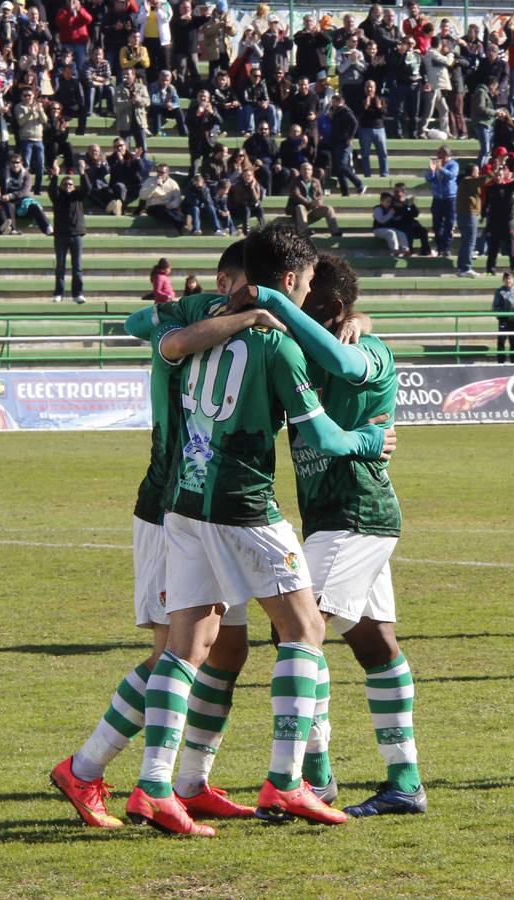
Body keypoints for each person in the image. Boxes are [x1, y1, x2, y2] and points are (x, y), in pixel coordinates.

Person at [121, 223, 395, 836]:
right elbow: (324, 437)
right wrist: (372, 438)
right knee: (304, 629)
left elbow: (157, 337)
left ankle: (154, 787)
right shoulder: (278, 344)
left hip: (183, 504)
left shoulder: (201, 324)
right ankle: (286, 782)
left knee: (186, 646)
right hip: (242, 503)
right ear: (293, 280)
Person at [51, 242, 267, 829]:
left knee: (229, 648)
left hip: (218, 508)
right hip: (169, 505)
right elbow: (139, 322)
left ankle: (191, 780)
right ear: (227, 281)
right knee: (177, 650)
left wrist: (355, 317)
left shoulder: (265, 322)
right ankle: (89, 768)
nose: (265, 297)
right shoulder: (191, 315)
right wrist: (221, 307)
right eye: (254, 285)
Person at [226, 254, 426, 817]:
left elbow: (346, 359)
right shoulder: (308, 355)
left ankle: (309, 776)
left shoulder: (369, 350)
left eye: (308, 303)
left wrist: (279, 300)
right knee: (374, 644)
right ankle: (405, 782)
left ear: (332, 309)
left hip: (357, 514)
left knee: (297, 629)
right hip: (332, 517)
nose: (296, 316)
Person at [286, 161, 341, 238]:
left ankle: (335, 232)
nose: (306, 171)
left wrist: (319, 202)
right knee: (300, 207)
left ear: (311, 171)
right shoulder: (295, 181)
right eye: (304, 169)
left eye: (309, 169)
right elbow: (296, 195)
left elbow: (321, 195)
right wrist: (310, 203)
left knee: (329, 209)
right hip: (298, 209)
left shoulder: (316, 181)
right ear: (300, 171)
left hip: (313, 208)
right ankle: (303, 232)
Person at [425, 145, 459, 259]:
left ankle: (447, 248)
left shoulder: (454, 164)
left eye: (439, 154)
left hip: (450, 199)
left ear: (446, 155)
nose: (437, 156)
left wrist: (440, 169)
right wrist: (432, 171)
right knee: (437, 225)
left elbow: (451, 175)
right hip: (437, 199)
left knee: (449, 225)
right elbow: (429, 179)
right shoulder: (435, 164)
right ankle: (440, 248)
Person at [493, 270, 514, 362]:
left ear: (512, 279)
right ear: (503, 280)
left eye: (509, 278)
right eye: (505, 278)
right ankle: (501, 362)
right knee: (501, 341)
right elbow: (495, 306)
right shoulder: (499, 291)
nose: (508, 280)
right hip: (504, 320)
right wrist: (502, 315)